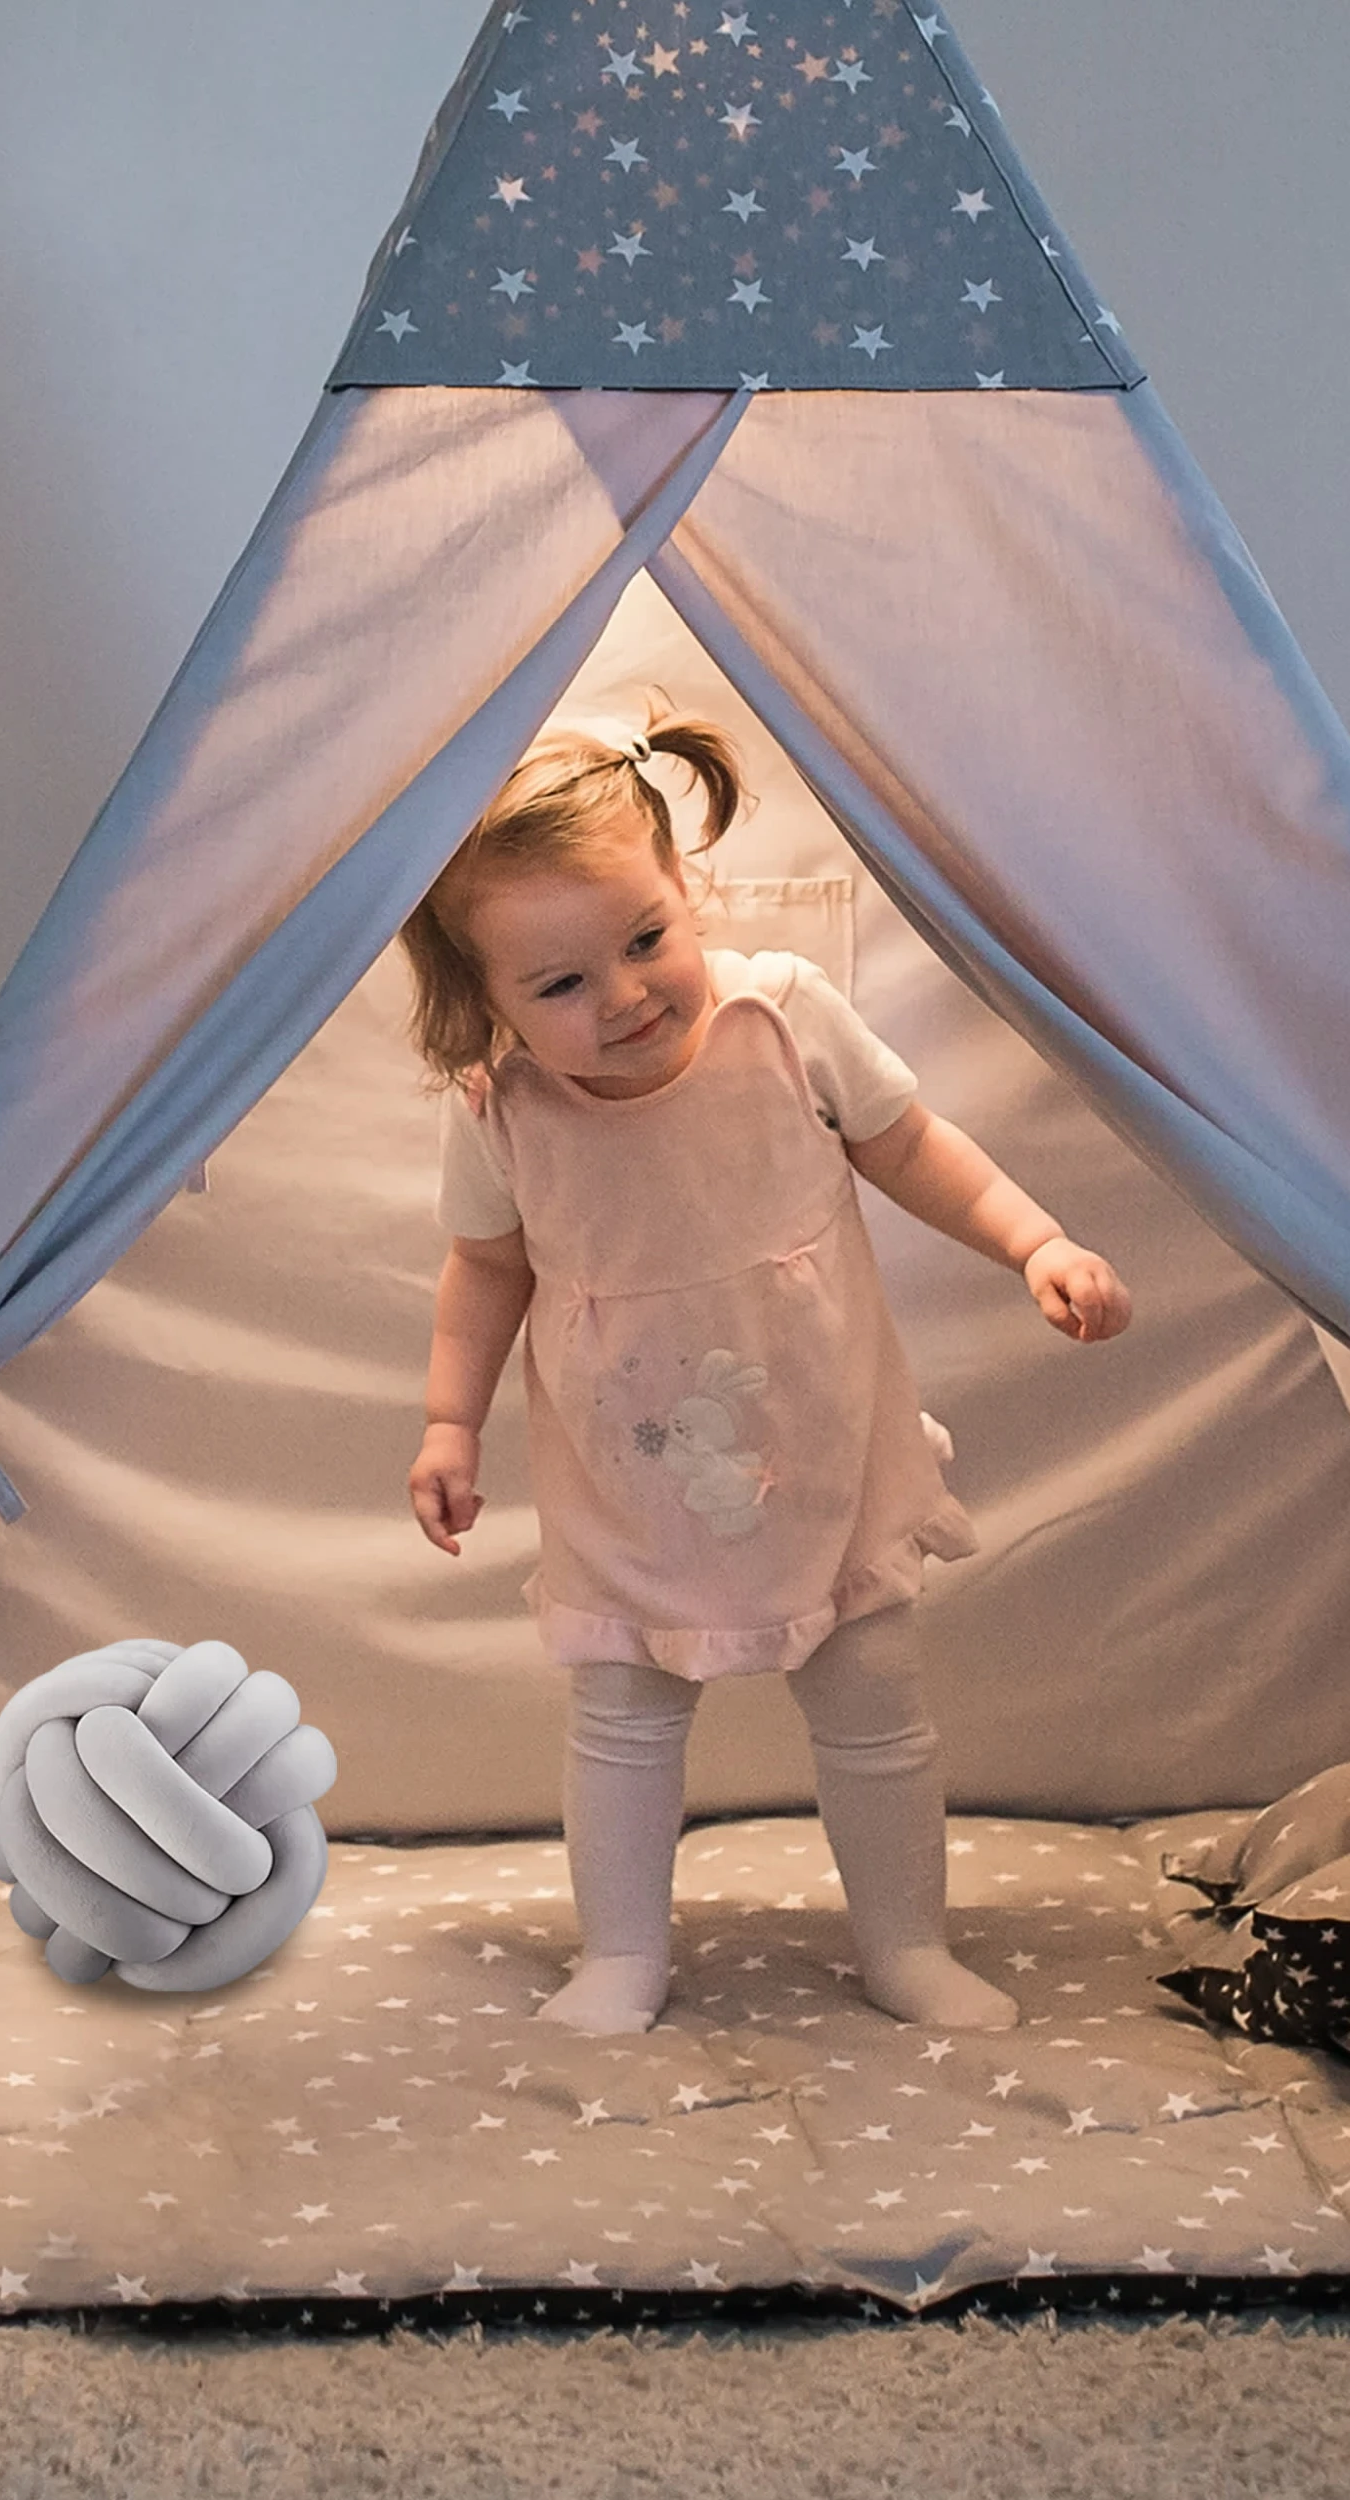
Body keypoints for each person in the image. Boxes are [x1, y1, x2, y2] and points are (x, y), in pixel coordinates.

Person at [400, 702, 1131, 2035]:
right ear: (484, 1002)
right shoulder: (506, 1111)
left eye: (644, 940)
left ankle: (906, 1946)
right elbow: (486, 1273)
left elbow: (911, 1147)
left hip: (826, 1453)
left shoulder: (784, 1019)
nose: (625, 996)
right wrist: (451, 1425)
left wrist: (1035, 1242)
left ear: (686, 889)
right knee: (623, 1721)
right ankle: (622, 1955)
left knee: (874, 1706)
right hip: (633, 1489)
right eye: (560, 985)